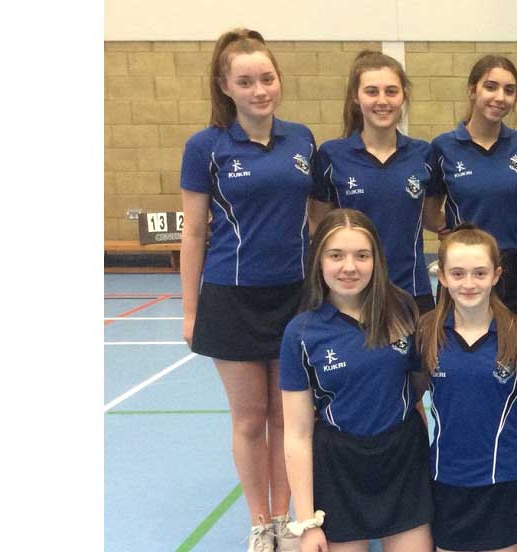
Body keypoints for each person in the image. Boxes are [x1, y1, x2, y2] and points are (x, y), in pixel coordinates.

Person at [177, 27, 321, 552]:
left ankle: (285, 518)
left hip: (294, 297)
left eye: (267, 78)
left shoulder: (302, 139)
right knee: (250, 418)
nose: (260, 90)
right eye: (245, 81)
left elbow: (315, 220)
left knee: (287, 415)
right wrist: (190, 311)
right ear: (225, 86)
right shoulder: (206, 147)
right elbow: (194, 233)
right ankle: (260, 522)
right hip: (231, 297)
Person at [278, 209, 432, 552]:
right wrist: (307, 522)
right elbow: (297, 434)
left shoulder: (403, 310)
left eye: (362, 255)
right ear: (319, 260)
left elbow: (416, 388)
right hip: (339, 469)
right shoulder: (301, 333)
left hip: (402, 461)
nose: (350, 267)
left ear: (376, 260)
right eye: (336, 255)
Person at [415, 226, 517, 552]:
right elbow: (413, 390)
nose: (469, 283)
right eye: (458, 273)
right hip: (447, 478)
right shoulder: (426, 332)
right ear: (442, 276)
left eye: (480, 273)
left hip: (504, 478)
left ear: (496, 275)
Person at [312, 51, 442, 313]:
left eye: (391, 91)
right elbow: (317, 227)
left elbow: (433, 218)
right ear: (355, 97)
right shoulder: (331, 155)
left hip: (411, 292)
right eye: (372, 91)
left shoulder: (424, 154)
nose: (382, 101)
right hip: (351, 293)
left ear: (403, 95)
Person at [426, 55, 517, 317]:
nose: (500, 97)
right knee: (454, 338)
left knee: (515, 339)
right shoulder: (443, 147)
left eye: (509, 90)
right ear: (472, 90)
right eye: (490, 87)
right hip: (462, 268)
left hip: (512, 267)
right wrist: (454, 230)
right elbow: (429, 211)